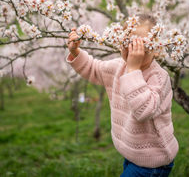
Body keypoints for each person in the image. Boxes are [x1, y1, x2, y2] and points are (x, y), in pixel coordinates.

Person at [66, 13, 179, 177]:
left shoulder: (159, 78)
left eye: (141, 47)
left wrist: (133, 70)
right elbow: (94, 68)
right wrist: (76, 52)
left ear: (156, 49)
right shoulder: (118, 66)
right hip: (132, 154)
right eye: (128, 43)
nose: (133, 52)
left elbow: (144, 110)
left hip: (153, 162)